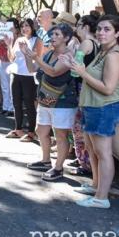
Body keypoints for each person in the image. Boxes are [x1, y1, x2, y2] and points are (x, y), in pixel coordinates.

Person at [67, 15, 119, 209]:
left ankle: (101, 198)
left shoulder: (114, 55)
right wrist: (73, 63)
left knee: (103, 153)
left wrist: (83, 72)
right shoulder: (104, 51)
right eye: (100, 29)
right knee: (94, 150)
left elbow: (108, 88)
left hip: (104, 107)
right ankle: (96, 186)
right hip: (93, 107)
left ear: (117, 33)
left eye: (107, 29)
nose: (102, 32)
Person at [22, 23, 78, 181]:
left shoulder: (69, 55)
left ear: (66, 38)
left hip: (63, 101)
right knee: (41, 130)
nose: (52, 37)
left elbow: (53, 72)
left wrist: (36, 58)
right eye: (52, 34)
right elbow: (33, 69)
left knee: (60, 135)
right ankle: (46, 160)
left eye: (57, 35)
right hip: (46, 99)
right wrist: (27, 55)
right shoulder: (48, 54)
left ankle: (58, 168)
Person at [68, 14, 99, 176]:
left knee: (79, 128)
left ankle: (84, 162)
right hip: (93, 89)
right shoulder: (98, 43)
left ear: (86, 27)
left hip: (82, 88)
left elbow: (75, 70)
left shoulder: (85, 43)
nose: (76, 28)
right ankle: (86, 160)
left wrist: (69, 61)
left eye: (78, 25)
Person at [4, 19, 42, 142]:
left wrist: (26, 50)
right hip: (15, 73)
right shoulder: (19, 39)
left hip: (29, 75)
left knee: (29, 103)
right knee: (16, 102)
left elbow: (37, 57)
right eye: (22, 26)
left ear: (32, 27)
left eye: (27, 26)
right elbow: (11, 58)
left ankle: (32, 132)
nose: (24, 28)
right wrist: (9, 45)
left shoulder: (37, 40)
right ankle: (18, 129)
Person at [0, 18, 19, 116]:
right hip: (2, 58)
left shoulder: (18, 34)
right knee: (4, 84)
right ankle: (5, 107)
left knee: (11, 85)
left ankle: (12, 108)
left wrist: (13, 34)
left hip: (12, 59)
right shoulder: (3, 32)